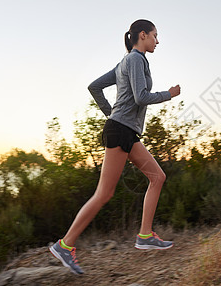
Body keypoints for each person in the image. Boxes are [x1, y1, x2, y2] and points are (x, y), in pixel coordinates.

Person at [49, 19, 181, 275]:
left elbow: (94, 86)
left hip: (126, 131)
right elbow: (141, 96)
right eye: (155, 35)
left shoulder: (126, 62)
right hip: (120, 131)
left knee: (157, 177)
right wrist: (169, 94)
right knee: (104, 194)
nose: (157, 40)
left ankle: (144, 235)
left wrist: (112, 113)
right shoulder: (134, 60)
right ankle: (65, 245)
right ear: (142, 35)